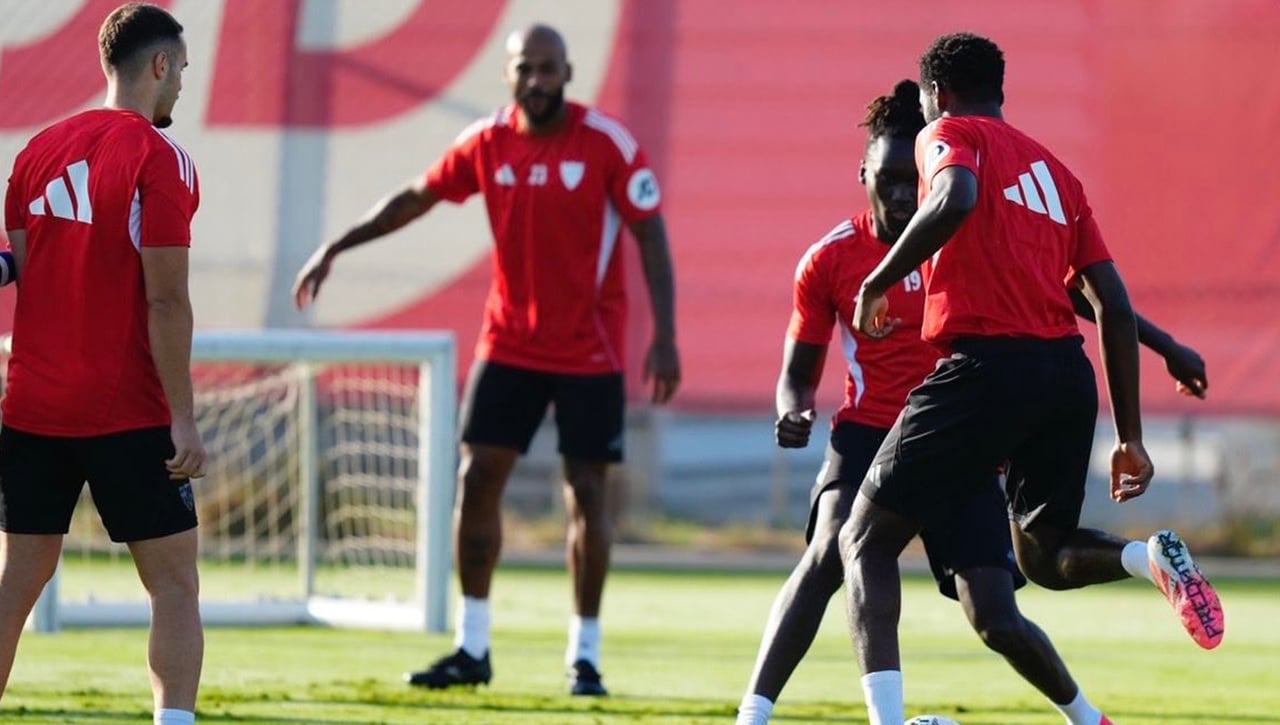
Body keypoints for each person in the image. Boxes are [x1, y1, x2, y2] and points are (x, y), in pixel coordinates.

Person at [735, 80, 1211, 725]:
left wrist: (1165, 345)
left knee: (996, 614)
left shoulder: (956, 231)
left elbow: (1078, 296)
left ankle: (1087, 716)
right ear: (863, 173)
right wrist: (791, 408)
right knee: (832, 551)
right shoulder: (829, 259)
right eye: (890, 178)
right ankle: (754, 714)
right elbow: (798, 370)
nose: (906, 192)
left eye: (915, 179)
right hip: (872, 431)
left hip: (961, 433)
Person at [292, 24, 679, 696]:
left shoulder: (608, 144)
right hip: (510, 343)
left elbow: (651, 235)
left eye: (549, 68)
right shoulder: (487, 141)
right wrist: (337, 245)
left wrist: (666, 335)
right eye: (525, 68)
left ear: (569, 71)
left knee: (586, 492)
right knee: (476, 479)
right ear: (508, 74)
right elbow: (416, 197)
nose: (537, 80)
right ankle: (472, 645)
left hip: (592, 348)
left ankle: (584, 654)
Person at [0, 4, 206, 725]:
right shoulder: (160, 156)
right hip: (128, 410)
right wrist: (184, 417)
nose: (182, 80)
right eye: (180, 66)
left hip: (32, 407)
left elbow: (21, 270)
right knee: (174, 584)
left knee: (14, 583)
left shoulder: (35, 153)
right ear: (158, 65)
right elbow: (167, 301)